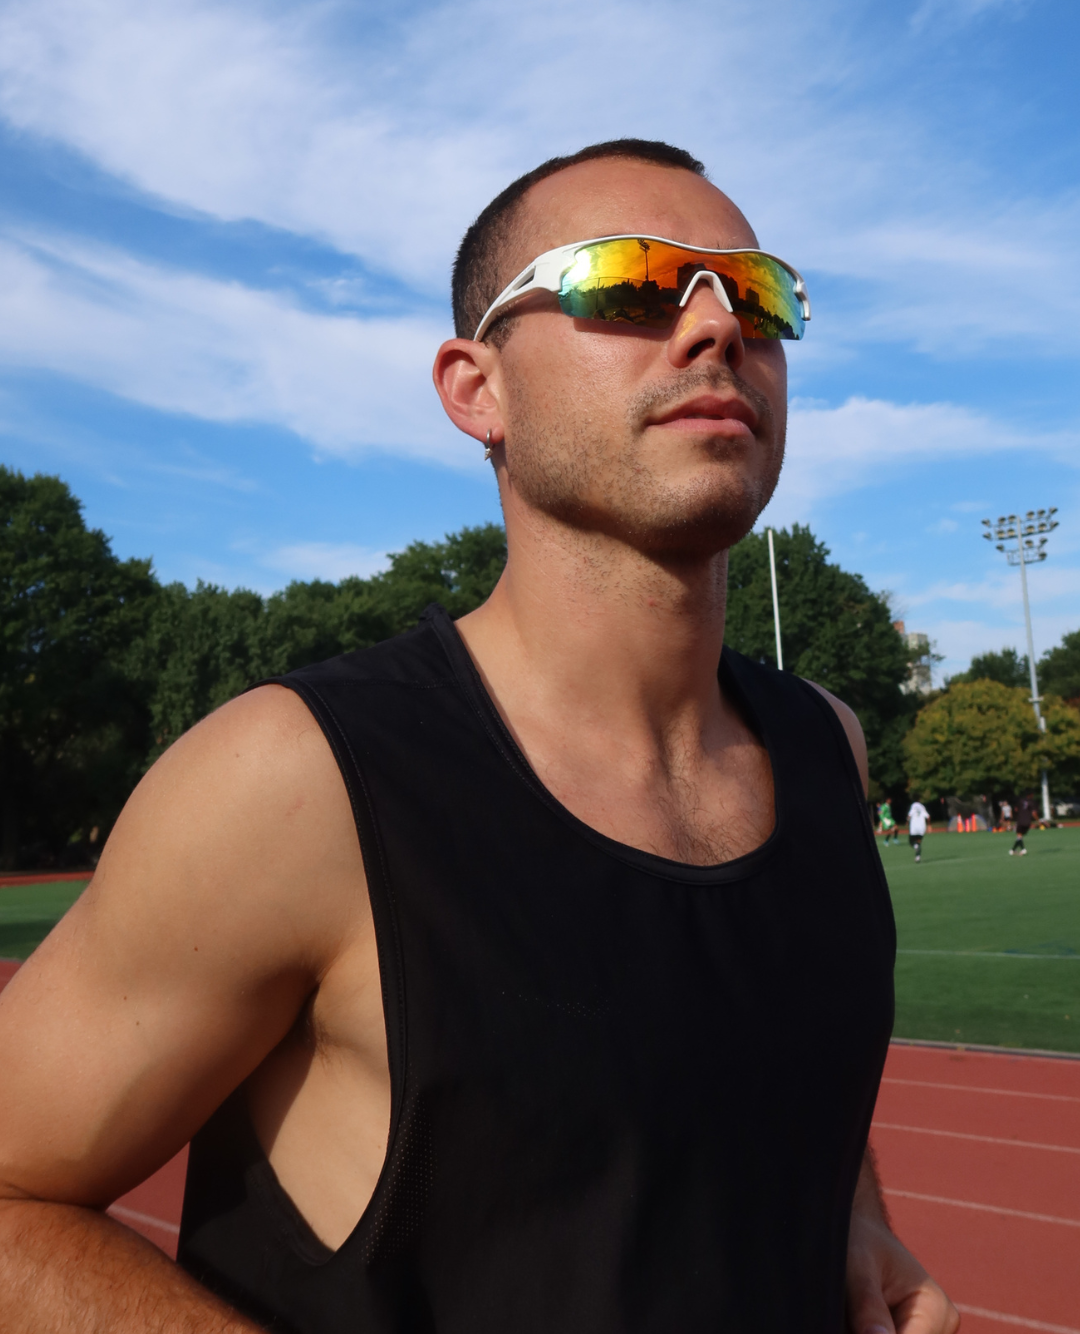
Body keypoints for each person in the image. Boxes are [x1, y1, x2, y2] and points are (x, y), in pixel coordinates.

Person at [0, 139, 958, 1334]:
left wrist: (856, 1208)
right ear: (475, 390)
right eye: (631, 282)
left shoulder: (828, 747)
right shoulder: (297, 781)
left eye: (756, 292)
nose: (717, 328)